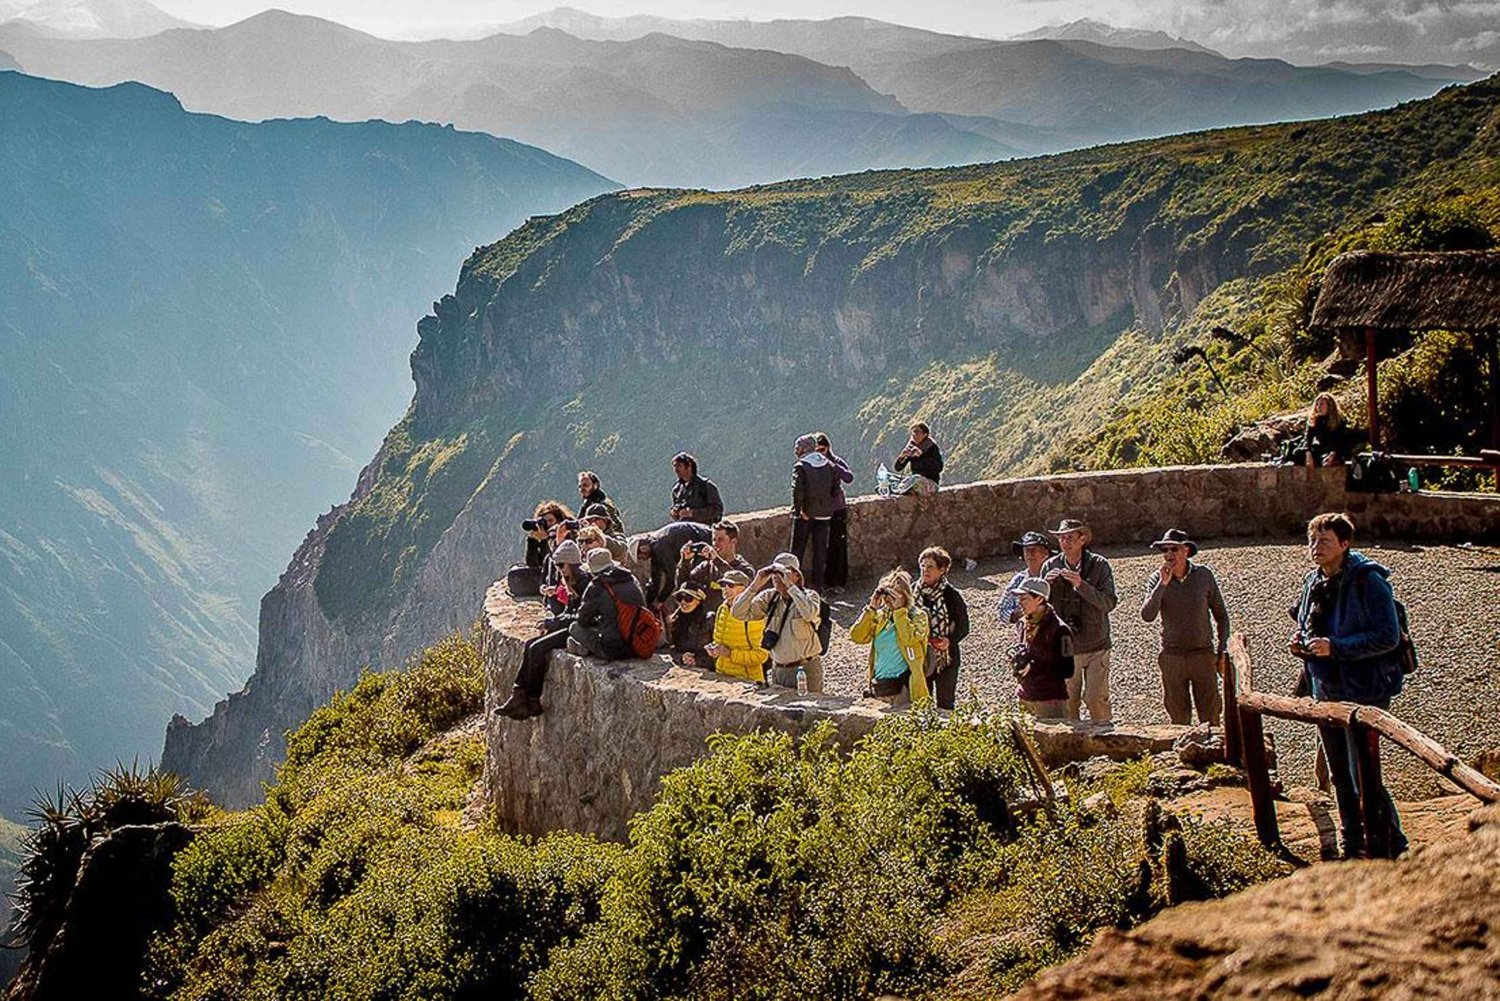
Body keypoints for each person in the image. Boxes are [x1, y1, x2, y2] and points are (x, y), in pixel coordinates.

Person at [1290, 511, 1408, 859]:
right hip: (1326, 688)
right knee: (1340, 775)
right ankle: (1352, 842)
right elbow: (1306, 622)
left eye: (1324, 541)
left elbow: (1387, 637)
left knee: (1364, 776)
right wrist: (1302, 642)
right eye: (1312, 540)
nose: (1315, 548)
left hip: (1363, 690)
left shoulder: (1369, 581)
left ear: (1344, 543)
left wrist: (1337, 647)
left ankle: (1391, 845)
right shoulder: (1314, 581)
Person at [1140, 529, 1230, 725]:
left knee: (1210, 714)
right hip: (1172, 656)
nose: (1169, 555)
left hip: (1203, 655)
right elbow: (1147, 615)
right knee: (1178, 717)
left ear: (1186, 551)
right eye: (1165, 550)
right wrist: (1162, 585)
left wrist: (1222, 650)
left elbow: (1222, 616)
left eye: (1174, 549)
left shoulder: (1204, 576)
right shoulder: (1157, 579)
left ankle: (1213, 753)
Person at [497, 542, 595, 720]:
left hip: (581, 630)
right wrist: (552, 623)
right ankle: (518, 695)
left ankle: (532, 700)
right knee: (529, 644)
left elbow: (580, 616)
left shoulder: (584, 583)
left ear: (571, 562)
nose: (558, 569)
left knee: (537, 648)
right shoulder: (572, 580)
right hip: (571, 625)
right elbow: (569, 612)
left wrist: (551, 623)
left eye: (561, 565)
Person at [1042, 518, 1117, 723]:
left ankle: (1105, 739)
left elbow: (1109, 603)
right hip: (1065, 648)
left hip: (1096, 644)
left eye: (1070, 537)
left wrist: (1081, 585)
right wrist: (1044, 587)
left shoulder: (1099, 565)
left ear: (1082, 539)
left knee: (1096, 699)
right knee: (1067, 703)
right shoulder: (1050, 566)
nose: (1065, 542)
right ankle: (1072, 746)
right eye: (1061, 538)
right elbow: (1039, 607)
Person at [729, 553, 825, 693]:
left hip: (805, 669)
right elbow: (738, 613)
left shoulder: (809, 596)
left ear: (797, 576)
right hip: (778, 670)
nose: (777, 578)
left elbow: (809, 613)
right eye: (775, 574)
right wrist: (755, 585)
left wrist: (791, 586)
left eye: (783, 573)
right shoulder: (769, 598)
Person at [850, 569, 930, 706]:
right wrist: (871, 608)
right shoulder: (881, 617)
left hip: (905, 688)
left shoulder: (918, 616)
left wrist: (899, 611)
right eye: (887, 593)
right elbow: (857, 636)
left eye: (895, 593)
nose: (889, 598)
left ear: (905, 595)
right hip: (881, 687)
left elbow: (909, 639)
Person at [1006, 577, 1073, 719]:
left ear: (1040, 599)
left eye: (1024, 598)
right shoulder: (1024, 623)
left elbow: (1067, 669)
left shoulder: (1061, 631)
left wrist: (1033, 667)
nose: (1020, 603)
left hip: (1049, 700)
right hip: (1025, 696)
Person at [567, 547, 650, 662]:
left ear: (592, 571)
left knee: (574, 627)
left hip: (612, 649)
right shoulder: (631, 579)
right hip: (637, 643)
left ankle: (582, 648)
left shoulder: (596, 587)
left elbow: (582, 619)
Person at [914, 546, 970, 710]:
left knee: (945, 704)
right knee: (922, 702)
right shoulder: (913, 592)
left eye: (930, 566)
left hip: (946, 657)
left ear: (942, 570)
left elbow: (963, 626)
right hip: (919, 656)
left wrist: (949, 641)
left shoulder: (951, 596)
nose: (925, 570)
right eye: (923, 566)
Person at [674, 520, 755, 614]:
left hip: (733, 620)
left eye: (720, 539)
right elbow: (683, 585)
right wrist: (685, 561)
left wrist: (717, 560)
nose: (716, 544)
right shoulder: (707, 566)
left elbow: (741, 583)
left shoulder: (745, 569)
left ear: (734, 541)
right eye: (714, 539)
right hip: (708, 621)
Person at [791, 434, 840, 590]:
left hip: (806, 515)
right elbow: (836, 488)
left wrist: (799, 510)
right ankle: (817, 587)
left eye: (797, 447)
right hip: (824, 514)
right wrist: (827, 504)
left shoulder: (801, 466)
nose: (796, 451)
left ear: (804, 448)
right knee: (820, 552)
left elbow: (797, 490)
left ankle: (794, 586)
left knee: (797, 552)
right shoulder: (829, 464)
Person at [705, 570, 767, 683]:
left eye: (731, 585)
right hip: (722, 677)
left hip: (747, 681)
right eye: (723, 585)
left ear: (744, 588)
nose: (725, 588)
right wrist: (714, 650)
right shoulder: (722, 609)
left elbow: (762, 655)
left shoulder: (753, 613)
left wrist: (730, 654)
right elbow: (719, 641)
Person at [635, 520, 713, 608]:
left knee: (693, 582)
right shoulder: (656, 545)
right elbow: (655, 578)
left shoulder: (660, 548)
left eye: (640, 557)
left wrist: (660, 601)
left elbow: (671, 579)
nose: (643, 559)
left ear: (643, 549)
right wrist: (649, 602)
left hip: (704, 539)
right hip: (700, 537)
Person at [814, 432, 855, 593]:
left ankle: (838, 582)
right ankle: (823, 581)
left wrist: (832, 465)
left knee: (838, 545)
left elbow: (849, 477)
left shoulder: (835, 462)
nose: (820, 453)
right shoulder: (812, 465)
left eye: (822, 450)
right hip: (820, 509)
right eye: (816, 450)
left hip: (837, 509)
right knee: (821, 546)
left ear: (828, 448)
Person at [1284, 393, 1359, 468]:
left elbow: (1341, 441)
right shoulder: (1314, 420)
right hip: (1319, 449)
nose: (1318, 407)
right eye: (1317, 404)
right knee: (1297, 453)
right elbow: (1308, 439)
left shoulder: (1339, 421)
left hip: (1333, 450)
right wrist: (1308, 454)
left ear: (1329, 406)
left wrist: (1332, 454)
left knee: (1336, 456)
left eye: (1322, 404)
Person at [998, 531, 1055, 624]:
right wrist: (1024, 613)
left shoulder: (1056, 578)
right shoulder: (1018, 580)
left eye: (1034, 550)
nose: (1030, 554)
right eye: (1026, 550)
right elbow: (1002, 610)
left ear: (1045, 553)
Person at [670, 452, 724, 525]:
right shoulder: (677, 490)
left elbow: (717, 509)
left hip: (704, 530)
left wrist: (693, 513)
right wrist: (675, 513)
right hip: (685, 531)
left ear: (689, 466)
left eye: (679, 466)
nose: (676, 470)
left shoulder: (705, 485)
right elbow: (675, 510)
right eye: (674, 466)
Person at [668, 584, 714, 668]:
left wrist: (698, 661)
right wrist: (681, 657)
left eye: (688, 598)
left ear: (699, 601)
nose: (683, 602)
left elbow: (717, 650)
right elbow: (672, 648)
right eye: (679, 597)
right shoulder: (675, 620)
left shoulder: (709, 619)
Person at [893, 421, 943, 494]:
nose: (914, 435)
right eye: (913, 432)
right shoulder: (911, 447)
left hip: (930, 483)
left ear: (925, 434)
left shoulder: (931, 447)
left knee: (916, 480)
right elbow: (898, 468)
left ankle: (902, 489)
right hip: (915, 480)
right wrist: (902, 457)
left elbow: (939, 467)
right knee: (893, 478)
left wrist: (921, 456)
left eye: (917, 432)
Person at [521, 500, 572, 568]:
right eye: (544, 522)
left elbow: (553, 562)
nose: (547, 525)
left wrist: (545, 540)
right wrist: (532, 541)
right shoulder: (541, 534)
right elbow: (532, 564)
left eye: (550, 521)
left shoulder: (568, 533)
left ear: (558, 520)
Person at [577, 470, 626, 534]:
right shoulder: (586, 505)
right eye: (580, 486)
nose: (581, 489)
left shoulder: (604, 505)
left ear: (595, 485)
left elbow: (617, 529)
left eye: (585, 485)